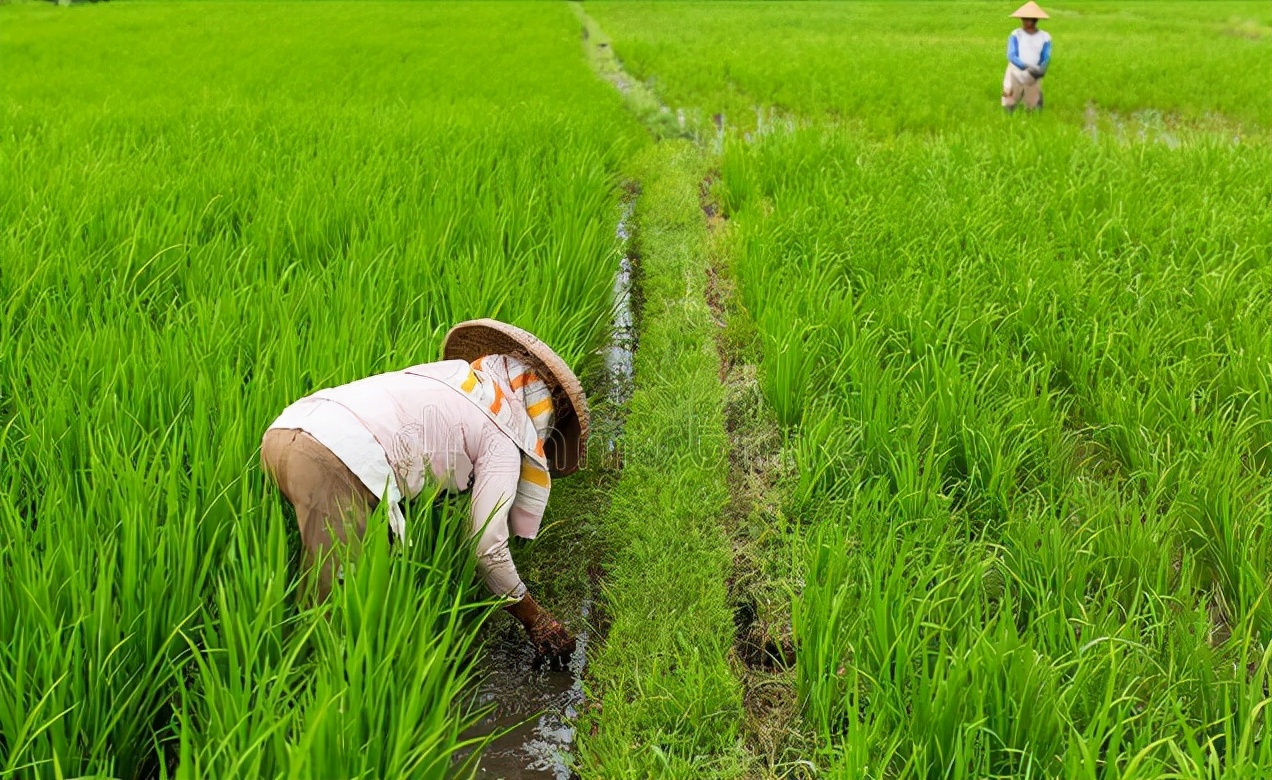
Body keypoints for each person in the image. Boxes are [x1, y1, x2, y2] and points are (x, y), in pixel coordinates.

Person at [260, 318, 588, 659]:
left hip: (283, 434)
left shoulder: (444, 378)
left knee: (370, 576)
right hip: (334, 462)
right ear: (539, 414)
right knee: (337, 614)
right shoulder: (503, 434)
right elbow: (486, 548)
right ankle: (315, 691)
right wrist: (537, 620)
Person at [1002, 2, 1052, 113]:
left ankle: (1033, 117)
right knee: (1008, 95)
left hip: (1034, 71)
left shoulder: (1045, 37)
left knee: (1033, 102)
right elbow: (1011, 54)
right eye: (1023, 19)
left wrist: (1042, 68)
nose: (1024, 21)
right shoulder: (1016, 34)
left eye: (1027, 19)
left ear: (1035, 20)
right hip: (1015, 69)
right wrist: (1025, 66)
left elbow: (1046, 56)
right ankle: (1007, 117)